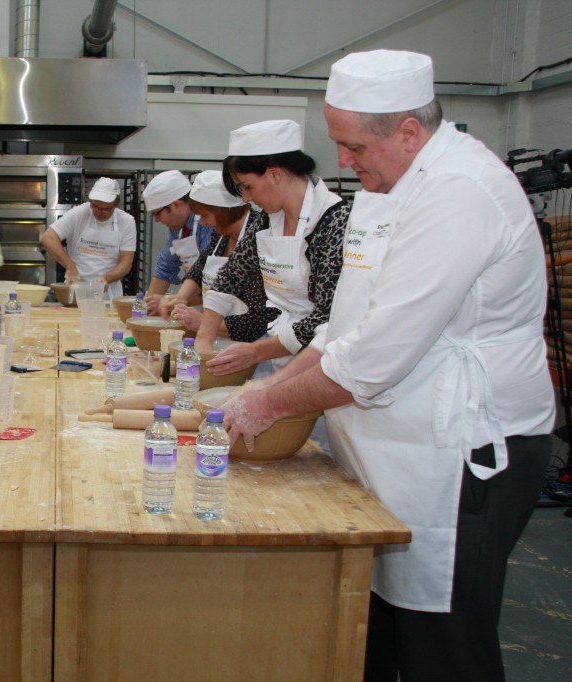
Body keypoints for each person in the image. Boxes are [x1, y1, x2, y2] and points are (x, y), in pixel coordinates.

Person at [219, 50, 554, 681]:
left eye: (353, 147)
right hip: (391, 449)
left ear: (408, 131)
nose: (343, 161)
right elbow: (347, 325)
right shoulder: (388, 187)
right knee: (375, 631)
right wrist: (276, 380)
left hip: (461, 454)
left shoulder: (459, 193)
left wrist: (267, 402)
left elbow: (374, 359)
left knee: (443, 644)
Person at [204, 119, 349, 367]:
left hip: (320, 360)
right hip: (280, 352)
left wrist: (256, 352)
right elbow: (232, 275)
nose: (246, 198)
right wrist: (203, 342)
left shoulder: (334, 220)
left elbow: (328, 315)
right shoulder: (267, 219)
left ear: (274, 174)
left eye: (247, 187)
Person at [164, 171, 277, 345]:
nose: (203, 223)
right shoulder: (221, 236)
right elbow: (199, 268)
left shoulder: (259, 236)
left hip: (253, 348)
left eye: (205, 215)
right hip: (217, 341)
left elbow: (257, 322)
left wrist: (204, 323)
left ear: (225, 211)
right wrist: (181, 297)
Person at [40, 177, 136, 300]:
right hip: (77, 291)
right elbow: (48, 237)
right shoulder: (79, 213)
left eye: (105, 209)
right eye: (94, 206)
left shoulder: (126, 221)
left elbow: (125, 264)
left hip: (108, 295)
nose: (98, 212)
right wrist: (70, 266)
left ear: (116, 205)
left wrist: (106, 278)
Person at [141, 170, 213, 314]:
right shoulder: (177, 229)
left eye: (157, 214)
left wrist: (170, 301)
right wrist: (147, 310)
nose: (156, 220)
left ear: (176, 205)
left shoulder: (207, 225)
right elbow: (165, 268)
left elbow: (210, 280)